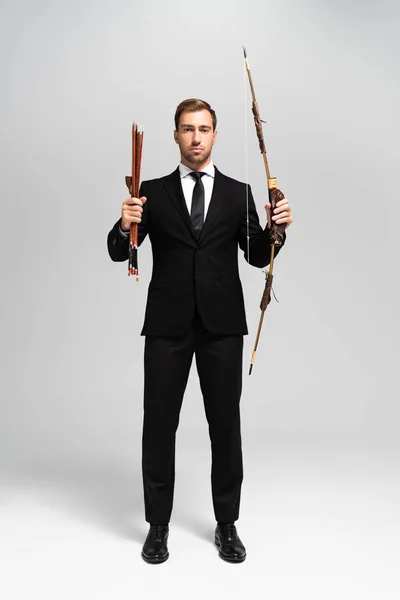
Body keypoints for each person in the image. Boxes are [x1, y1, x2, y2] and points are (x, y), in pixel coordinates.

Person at [107, 98, 293, 564]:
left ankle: (227, 525)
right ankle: (157, 527)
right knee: (158, 427)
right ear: (175, 136)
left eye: (204, 129)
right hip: (167, 326)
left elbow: (255, 256)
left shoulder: (236, 192)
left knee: (225, 427)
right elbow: (119, 251)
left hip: (223, 326)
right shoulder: (150, 190)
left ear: (215, 135)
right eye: (187, 129)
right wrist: (123, 222)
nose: (195, 137)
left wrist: (278, 232)